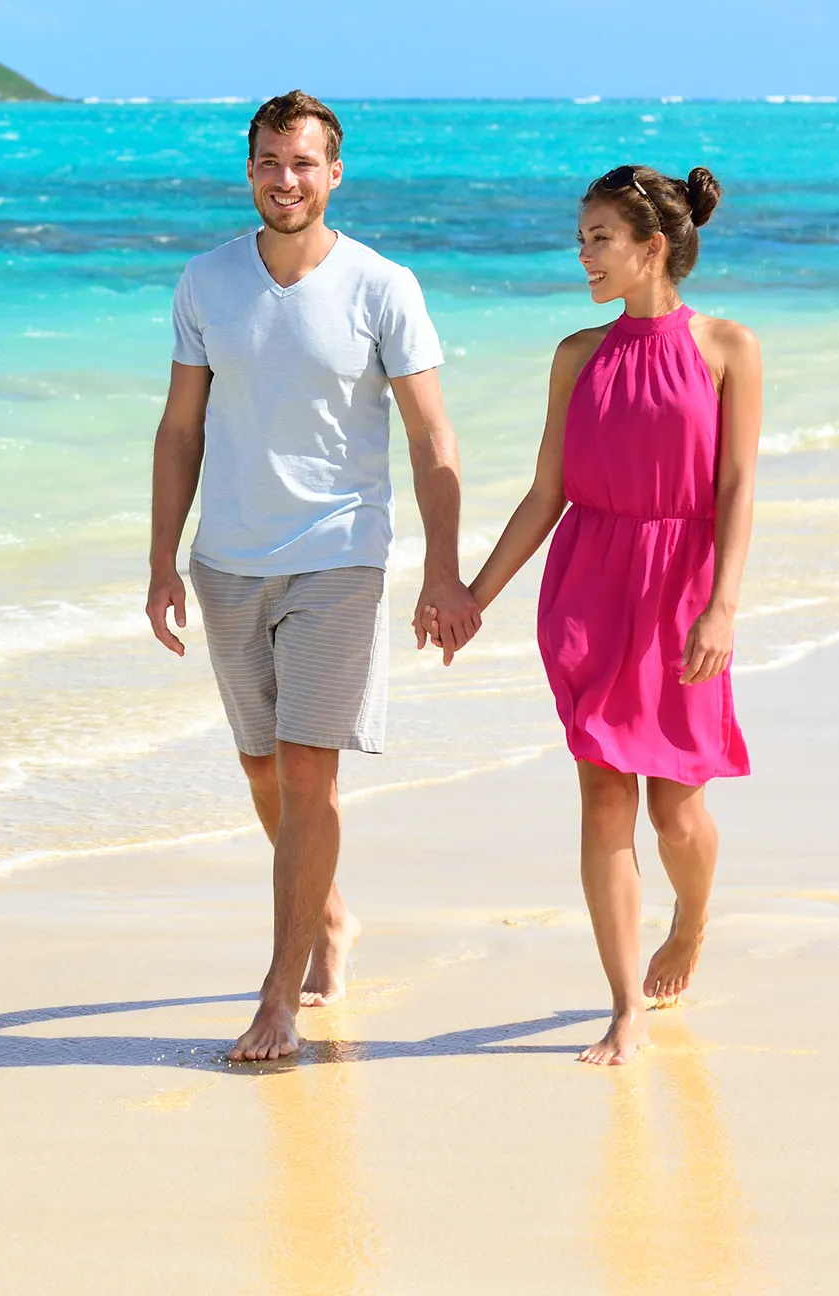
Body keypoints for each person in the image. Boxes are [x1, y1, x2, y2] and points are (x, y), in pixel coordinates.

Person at [144, 90, 476, 1065]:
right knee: (261, 771)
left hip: (339, 557)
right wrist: (162, 559)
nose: (283, 180)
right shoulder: (206, 282)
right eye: (267, 162)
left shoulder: (384, 286)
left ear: (334, 173)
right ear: (248, 170)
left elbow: (431, 434)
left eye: (302, 163)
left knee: (306, 770)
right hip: (227, 560)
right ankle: (327, 918)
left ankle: (277, 995)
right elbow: (179, 429)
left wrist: (443, 573)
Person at [463, 164, 763, 1066]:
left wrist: (723, 608)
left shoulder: (727, 348)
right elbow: (547, 490)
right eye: (583, 237)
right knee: (603, 801)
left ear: (652, 248)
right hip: (589, 588)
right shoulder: (577, 355)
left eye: (600, 239)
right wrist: (474, 596)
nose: (584, 254)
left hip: (682, 589)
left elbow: (739, 485)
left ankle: (694, 918)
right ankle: (625, 1005)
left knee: (677, 812)